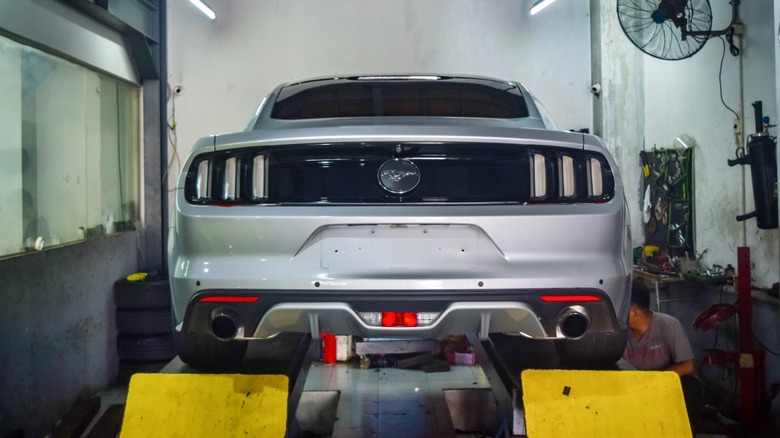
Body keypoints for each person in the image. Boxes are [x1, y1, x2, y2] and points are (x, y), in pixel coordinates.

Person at [623, 281, 704, 433]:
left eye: (621, 308)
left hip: (665, 383)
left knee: (690, 387)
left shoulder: (669, 325)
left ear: (635, 313)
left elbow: (688, 366)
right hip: (637, 386)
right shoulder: (620, 334)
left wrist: (655, 381)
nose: (616, 313)